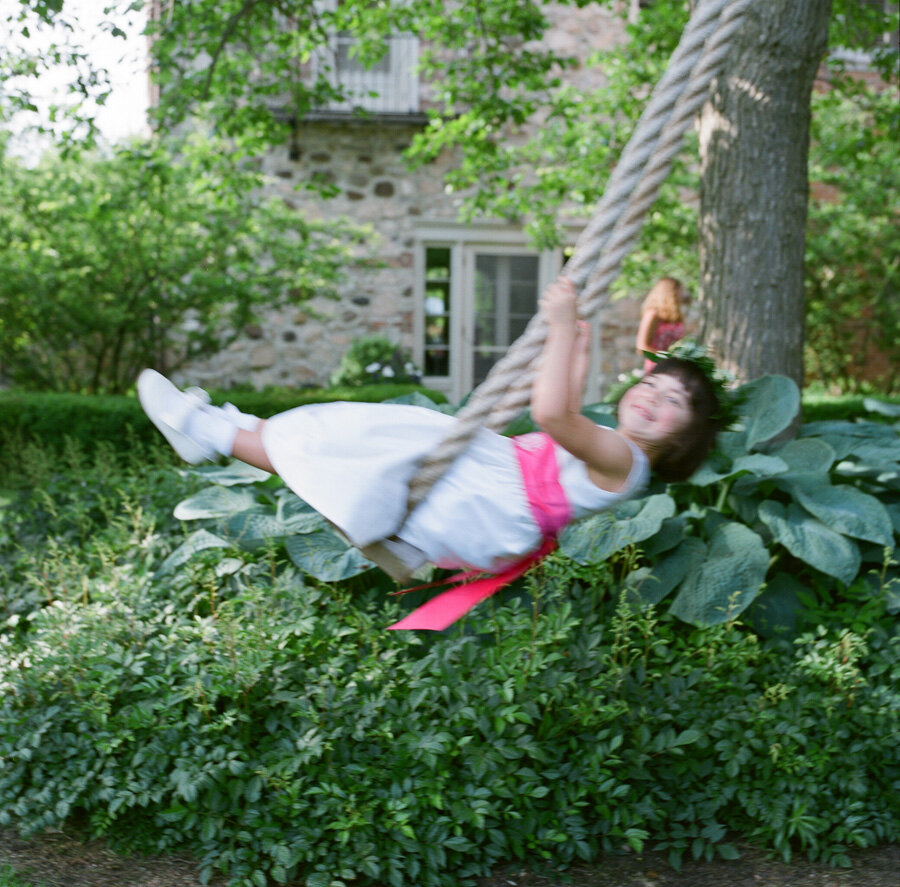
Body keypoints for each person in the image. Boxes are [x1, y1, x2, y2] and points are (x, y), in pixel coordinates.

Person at [138, 277, 723, 628]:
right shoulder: (619, 451)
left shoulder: (627, 460)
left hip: (492, 500)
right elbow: (566, 406)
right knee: (352, 435)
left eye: (673, 401)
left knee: (362, 445)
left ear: (683, 439)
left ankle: (205, 430)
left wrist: (565, 327)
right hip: (492, 490)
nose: (651, 395)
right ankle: (219, 428)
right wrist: (578, 345)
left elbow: (551, 415)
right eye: (651, 383)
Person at [636, 277, 690, 373]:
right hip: (657, 366)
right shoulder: (652, 314)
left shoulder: (676, 317)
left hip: (675, 367)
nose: (681, 294)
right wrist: (666, 357)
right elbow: (642, 347)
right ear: (670, 292)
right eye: (679, 290)